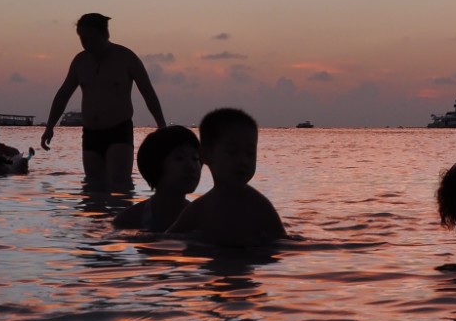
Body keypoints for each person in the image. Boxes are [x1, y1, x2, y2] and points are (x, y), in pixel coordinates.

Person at [42, 13, 166, 186]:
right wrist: (49, 127)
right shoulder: (80, 61)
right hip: (91, 133)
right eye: (83, 39)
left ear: (105, 35)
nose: (87, 44)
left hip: (119, 130)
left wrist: (161, 126)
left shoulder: (126, 57)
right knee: (93, 188)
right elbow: (63, 94)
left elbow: (148, 93)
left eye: (92, 38)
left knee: (119, 184)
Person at [167, 108, 285, 246]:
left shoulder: (259, 207)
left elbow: (282, 242)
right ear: (206, 156)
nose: (243, 161)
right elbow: (168, 238)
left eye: (250, 153)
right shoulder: (199, 209)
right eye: (232, 152)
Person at [115, 124, 201, 231]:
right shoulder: (130, 219)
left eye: (195, 158)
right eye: (179, 158)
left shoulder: (202, 219)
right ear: (155, 165)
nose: (191, 167)